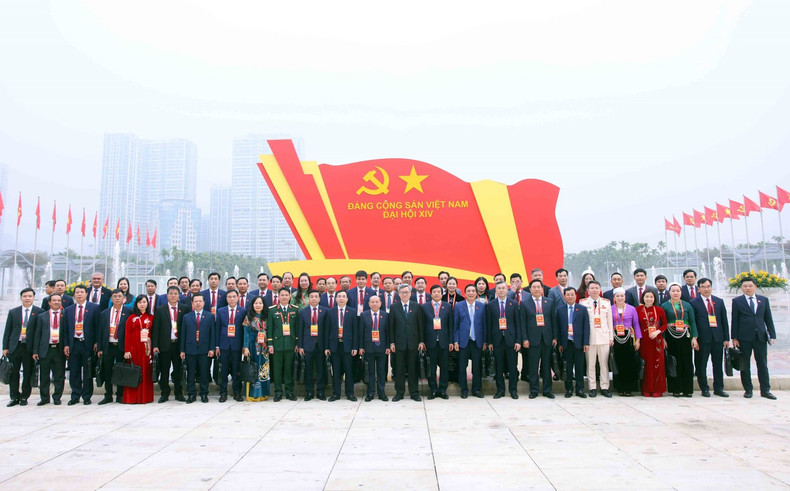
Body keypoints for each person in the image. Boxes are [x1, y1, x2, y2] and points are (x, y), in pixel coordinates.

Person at [731, 276, 777, 399]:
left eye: (750, 286)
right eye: (745, 286)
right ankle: (748, 390)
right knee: (745, 365)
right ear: (741, 288)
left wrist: (772, 334)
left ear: (755, 286)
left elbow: (768, 318)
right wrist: (734, 337)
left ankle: (765, 390)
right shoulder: (737, 301)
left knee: (762, 364)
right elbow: (735, 320)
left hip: (760, 337)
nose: (748, 288)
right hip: (744, 338)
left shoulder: (763, 300)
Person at [3, 288, 44, 406]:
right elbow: (7, 331)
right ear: (21, 298)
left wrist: (36, 350)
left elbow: (40, 333)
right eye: (25, 296)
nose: (27, 298)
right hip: (15, 346)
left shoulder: (40, 312)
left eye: (30, 296)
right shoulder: (13, 312)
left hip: (29, 348)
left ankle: (24, 397)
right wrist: (5, 347)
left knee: (27, 372)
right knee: (13, 373)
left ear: (33, 298)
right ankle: (14, 397)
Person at [62, 285, 101, 405]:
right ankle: (75, 395)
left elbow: (98, 327)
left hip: (87, 344)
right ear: (74, 294)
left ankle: (87, 396)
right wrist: (66, 344)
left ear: (86, 294)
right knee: (74, 371)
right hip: (74, 344)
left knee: (87, 372)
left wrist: (96, 342)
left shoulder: (94, 308)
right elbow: (65, 329)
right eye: (77, 292)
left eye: (82, 292)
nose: (79, 294)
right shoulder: (68, 310)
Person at [691, 278, 730, 397]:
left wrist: (726, 338)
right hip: (702, 339)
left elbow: (724, 320)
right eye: (703, 287)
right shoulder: (693, 303)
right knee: (701, 364)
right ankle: (704, 388)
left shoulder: (719, 301)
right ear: (698, 289)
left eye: (708, 286)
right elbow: (693, 322)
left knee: (717, 364)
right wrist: (694, 338)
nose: (706, 289)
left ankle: (719, 388)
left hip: (718, 338)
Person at [387, 284, 426, 402]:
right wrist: (392, 342)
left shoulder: (416, 306)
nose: (404, 294)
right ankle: (399, 393)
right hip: (399, 344)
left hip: (414, 343)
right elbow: (391, 326)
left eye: (407, 292)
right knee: (399, 369)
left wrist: (421, 341)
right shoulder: (394, 307)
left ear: (410, 293)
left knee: (413, 369)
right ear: (398, 294)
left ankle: (414, 393)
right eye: (402, 292)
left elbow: (420, 325)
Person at [662, 283, 698, 397]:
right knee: (674, 362)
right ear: (669, 292)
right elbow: (662, 324)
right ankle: (675, 389)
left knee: (687, 362)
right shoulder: (664, 306)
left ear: (681, 292)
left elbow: (692, 322)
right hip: (671, 337)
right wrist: (663, 338)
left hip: (685, 336)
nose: (675, 293)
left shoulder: (687, 305)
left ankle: (687, 390)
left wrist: (694, 337)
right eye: (673, 291)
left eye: (678, 290)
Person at [522, 279, 557, 399]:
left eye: (539, 287)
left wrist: (554, 337)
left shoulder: (549, 302)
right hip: (532, 340)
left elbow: (553, 320)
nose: (536, 289)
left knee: (546, 366)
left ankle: (547, 390)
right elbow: (523, 323)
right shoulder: (525, 303)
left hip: (547, 339)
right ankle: (534, 390)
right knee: (533, 366)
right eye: (534, 287)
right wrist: (525, 339)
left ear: (542, 289)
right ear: (530, 289)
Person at [152, 286, 188, 403]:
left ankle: (178, 393)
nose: (173, 296)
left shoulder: (184, 309)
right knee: (164, 370)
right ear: (167, 295)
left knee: (178, 370)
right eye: (171, 293)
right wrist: (155, 345)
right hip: (164, 345)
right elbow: (156, 329)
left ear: (179, 296)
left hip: (178, 345)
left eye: (175, 293)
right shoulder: (160, 309)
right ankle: (164, 393)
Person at [97, 289, 132, 404]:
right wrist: (100, 348)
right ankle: (108, 395)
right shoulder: (104, 313)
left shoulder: (129, 312)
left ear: (124, 299)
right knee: (107, 371)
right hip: (108, 346)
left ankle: (120, 395)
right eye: (115, 296)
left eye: (119, 296)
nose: (117, 298)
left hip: (121, 346)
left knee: (121, 370)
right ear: (111, 299)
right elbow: (100, 331)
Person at [487, 281, 522, 399]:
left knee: (512, 367)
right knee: (499, 367)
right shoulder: (491, 305)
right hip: (497, 340)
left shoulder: (513, 304)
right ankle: (500, 390)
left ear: (507, 290)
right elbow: (489, 324)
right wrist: (490, 342)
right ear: (496, 290)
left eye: (503, 288)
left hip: (511, 340)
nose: (501, 290)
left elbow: (518, 324)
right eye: (499, 288)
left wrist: (518, 341)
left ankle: (513, 390)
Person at [180, 295, 216, 403]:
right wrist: (182, 350)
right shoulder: (186, 317)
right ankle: (191, 394)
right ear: (192, 303)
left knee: (204, 372)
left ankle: (204, 393)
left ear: (204, 303)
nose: (198, 303)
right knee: (190, 373)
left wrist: (212, 349)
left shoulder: (210, 316)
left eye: (200, 301)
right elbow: (183, 334)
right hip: (190, 349)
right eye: (196, 301)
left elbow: (212, 334)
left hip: (205, 349)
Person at [579, 281, 613, 397]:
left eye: (596, 288)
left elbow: (609, 321)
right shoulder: (583, 302)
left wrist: (611, 337)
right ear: (588, 290)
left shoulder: (606, 302)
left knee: (604, 364)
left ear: (600, 290)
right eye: (592, 288)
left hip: (604, 337)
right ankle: (592, 387)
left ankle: (604, 387)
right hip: (590, 338)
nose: (594, 290)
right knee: (590, 364)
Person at [323, 290, 358, 401]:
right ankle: (336, 394)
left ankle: (350, 393)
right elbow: (327, 330)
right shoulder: (330, 312)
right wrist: (327, 347)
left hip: (348, 346)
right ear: (336, 299)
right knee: (336, 371)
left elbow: (355, 331)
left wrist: (355, 347)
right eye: (339, 296)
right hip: (335, 345)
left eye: (343, 296)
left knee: (349, 370)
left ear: (347, 299)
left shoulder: (352, 312)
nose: (341, 298)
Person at [32, 294, 66, 405]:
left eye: (58, 300)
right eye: (54, 300)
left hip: (59, 349)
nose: (56, 302)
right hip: (45, 349)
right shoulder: (42, 316)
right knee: (44, 375)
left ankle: (57, 397)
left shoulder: (65, 315)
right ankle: (44, 398)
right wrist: (35, 351)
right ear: (49, 302)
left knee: (59, 375)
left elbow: (67, 333)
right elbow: (37, 334)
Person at [454, 284, 487, 398]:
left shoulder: (481, 306)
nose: (471, 293)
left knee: (477, 367)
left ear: (476, 293)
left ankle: (476, 389)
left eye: (473, 291)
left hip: (477, 341)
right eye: (469, 291)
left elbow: (484, 325)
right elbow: (455, 325)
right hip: (463, 341)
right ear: (465, 293)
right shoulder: (459, 306)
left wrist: (485, 341)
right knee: (462, 367)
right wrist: (455, 341)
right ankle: (464, 389)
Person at [555, 287, 589, 398]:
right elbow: (558, 328)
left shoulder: (582, 309)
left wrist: (586, 343)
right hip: (567, 343)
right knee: (568, 367)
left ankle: (580, 389)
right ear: (564, 296)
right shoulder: (560, 310)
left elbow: (586, 327)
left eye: (572, 294)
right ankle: (569, 389)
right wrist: (560, 343)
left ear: (575, 296)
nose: (570, 297)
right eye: (568, 295)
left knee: (579, 367)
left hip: (579, 343)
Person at [267, 288, 299, 401]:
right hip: (277, 345)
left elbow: (297, 328)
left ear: (290, 296)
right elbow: (270, 328)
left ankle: (289, 392)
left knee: (289, 369)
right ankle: (278, 392)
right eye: (282, 295)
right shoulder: (272, 310)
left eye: (286, 295)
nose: (284, 297)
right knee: (277, 370)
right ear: (278, 297)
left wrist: (297, 343)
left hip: (290, 344)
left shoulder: (295, 310)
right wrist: (270, 344)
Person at [421, 285, 453, 400]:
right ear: (430, 294)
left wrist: (451, 341)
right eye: (434, 292)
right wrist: (422, 341)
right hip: (430, 342)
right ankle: (433, 390)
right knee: (432, 367)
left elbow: (450, 325)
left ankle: (443, 390)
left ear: (441, 293)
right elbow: (422, 326)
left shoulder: (447, 306)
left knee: (444, 367)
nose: (436, 294)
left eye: (438, 292)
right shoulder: (424, 307)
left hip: (444, 342)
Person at [122, 295, 155, 404]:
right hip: (134, 348)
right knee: (134, 372)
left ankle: (145, 397)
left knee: (146, 372)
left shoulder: (151, 317)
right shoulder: (131, 318)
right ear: (136, 304)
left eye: (144, 302)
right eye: (140, 302)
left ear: (147, 303)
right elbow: (127, 334)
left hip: (147, 349)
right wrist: (127, 350)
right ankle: (133, 398)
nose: (142, 304)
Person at [215, 290, 246, 402]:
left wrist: (244, 346)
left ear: (238, 298)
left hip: (237, 345)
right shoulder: (220, 311)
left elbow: (244, 330)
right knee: (223, 370)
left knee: (236, 370)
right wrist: (217, 346)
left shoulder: (243, 311)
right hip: (223, 344)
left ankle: (237, 392)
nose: (232, 299)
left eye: (234, 297)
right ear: (226, 299)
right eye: (229, 297)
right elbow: (217, 328)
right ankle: (223, 392)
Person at [610, 288, 642, 396]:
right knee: (618, 362)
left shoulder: (632, 309)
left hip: (629, 338)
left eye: (622, 296)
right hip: (615, 338)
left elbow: (636, 324)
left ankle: (629, 388)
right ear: (614, 298)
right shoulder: (610, 309)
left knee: (629, 362)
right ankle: (620, 388)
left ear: (625, 297)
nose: (620, 298)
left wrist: (638, 340)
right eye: (617, 296)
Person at [637, 290, 668, 397]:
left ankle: (657, 389)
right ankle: (646, 389)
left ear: (654, 298)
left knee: (657, 364)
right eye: (647, 297)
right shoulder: (638, 310)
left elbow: (665, 324)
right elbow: (636, 325)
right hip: (644, 341)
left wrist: (657, 332)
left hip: (656, 341)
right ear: (643, 298)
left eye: (651, 297)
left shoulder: (659, 310)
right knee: (646, 364)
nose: (649, 299)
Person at [298, 290, 328, 401]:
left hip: (321, 345)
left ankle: (320, 391)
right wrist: (300, 346)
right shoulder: (303, 312)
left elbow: (327, 330)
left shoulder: (325, 311)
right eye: (311, 297)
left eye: (316, 297)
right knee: (308, 369)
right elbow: (300, 330)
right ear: (308, 299)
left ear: (319, 299)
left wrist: (327, 347)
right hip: (307, 345)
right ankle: (309, 391)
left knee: (321, 369)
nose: (314, 298)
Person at [359, 295, 390, 401]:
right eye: (372, 302)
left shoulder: (385, 315)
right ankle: (370, 393)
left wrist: (388, 346)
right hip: (368, 348)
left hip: (382, 348)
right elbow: (361, 332)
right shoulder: (364, 315)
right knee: (370, 371)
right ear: (369, 304)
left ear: (380, 303)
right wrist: (361, 347)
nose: (375, 304)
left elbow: (387, 332)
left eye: (377, 302)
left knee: (381, 371)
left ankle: (382, 393)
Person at [241, 296, 270, 401]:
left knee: (263, 370)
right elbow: (246, 333)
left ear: (263, 305)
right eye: (256, 303)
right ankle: (252, 394)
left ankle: (263, 393)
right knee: (253, 368)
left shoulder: (267, 316)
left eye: (260, 303)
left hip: (264, 347)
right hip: (252, 346)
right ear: (252, 305)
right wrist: (245, 347)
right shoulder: (248, 317)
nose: (258, 305)